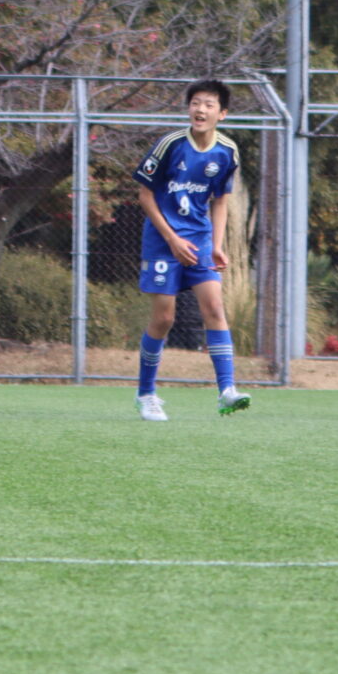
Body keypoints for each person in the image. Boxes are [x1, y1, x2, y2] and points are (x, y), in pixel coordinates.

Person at [133, 80, 249, 420]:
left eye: (209, 105)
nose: (200, 110)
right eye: (196, 103)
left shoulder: (227, 151)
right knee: (164, 319)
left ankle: (227, 391)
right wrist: (172, 239)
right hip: (162, 241)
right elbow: (145, 195)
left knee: (214, 308)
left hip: (199, 240)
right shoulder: (170, 144)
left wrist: (216, 246)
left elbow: (220, 201)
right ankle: (146, 394)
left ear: (222, 114)